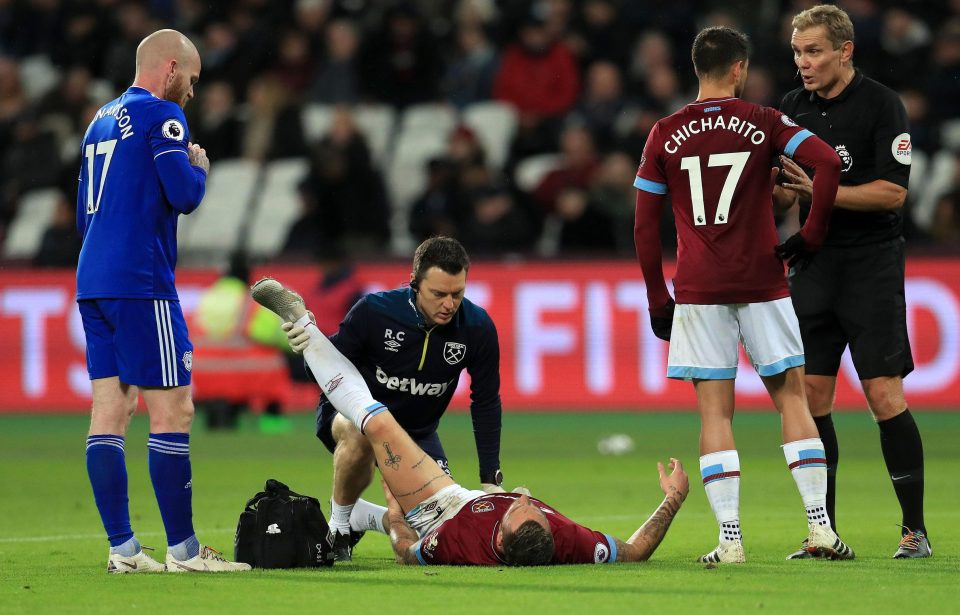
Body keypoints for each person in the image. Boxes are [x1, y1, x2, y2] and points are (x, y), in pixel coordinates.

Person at [252, 277, 689, 566]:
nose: (527, 501)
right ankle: (347, 520)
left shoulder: (461, 542)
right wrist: (672, 501)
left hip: (434, 507)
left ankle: (302, 324)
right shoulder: (567, 540)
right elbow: (634, 551)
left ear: (499, 540)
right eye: (536, 510)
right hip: (461, 492)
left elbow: (407, 550)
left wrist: (394, 499)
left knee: (376, 421)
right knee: (379, 423)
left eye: (519, 510)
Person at [633, 26, 850, 564]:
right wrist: (814, 233)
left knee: (715, 414)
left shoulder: (665, 132)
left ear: (696, 68)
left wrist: (659, 298)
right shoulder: (764, 121)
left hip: (700, 288)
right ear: (738, 68)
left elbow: (643, 226)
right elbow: (826, 162)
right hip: (762, 279)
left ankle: (730, 540)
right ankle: (820, 529)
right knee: (792, 399)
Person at [75, 29, 249, 573]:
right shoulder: (161, 116)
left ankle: (123, 551)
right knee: (174, 410)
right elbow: (185, 195)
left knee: (111, 408)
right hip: (141, 281)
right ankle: (185, 551)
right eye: (192, 80)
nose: (193, 93)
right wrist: (197, 165)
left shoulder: (99, 119)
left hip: (93, 277)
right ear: (170, 68)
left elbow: (85, 211)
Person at [774, 5, 930, 559]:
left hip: (870, 264)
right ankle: (826, 534)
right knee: (811, 397)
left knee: (883, 395)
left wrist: (819, 191)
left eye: (813, 51)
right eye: (797, 52)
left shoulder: (882, 104)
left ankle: (914, 530)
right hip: (813, 265)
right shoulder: (791, 108)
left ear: (846, 50)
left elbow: (893, 192)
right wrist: (770, 188)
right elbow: (785, 195)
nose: (803, 63)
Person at [281, 236, 505, 561]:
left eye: (457, 294)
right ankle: (339, 527)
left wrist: (490, 479)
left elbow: (485, 400)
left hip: (417, 435)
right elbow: (329, 367)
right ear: (415, 283)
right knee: (362, 429)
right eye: (438, 294)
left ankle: (366, 517)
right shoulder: (376, 312)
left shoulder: (477, 327)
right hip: (352, 418)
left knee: (434, 534)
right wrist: (309, 347)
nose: (448, 304)